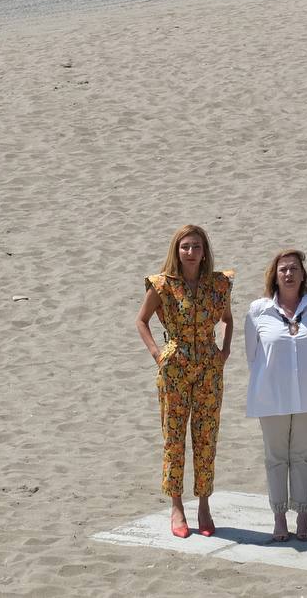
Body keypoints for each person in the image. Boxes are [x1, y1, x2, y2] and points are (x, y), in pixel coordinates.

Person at [136, 225, 233, 539]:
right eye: (185, 247)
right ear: (176, 251)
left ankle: (204, 504)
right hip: (175, 366)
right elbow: (142, 320)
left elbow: (227, 320)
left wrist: (224, 350)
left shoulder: (218, 285)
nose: (191, 253)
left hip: (208, 366)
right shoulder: (163, 285)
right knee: (174, 437)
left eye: (196, 247)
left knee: (206, 437)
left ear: (205, 251)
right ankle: (176, 505)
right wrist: (157, 354)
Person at [245, 250, 307, 542]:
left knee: (301, 457)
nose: (288, 274)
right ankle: (278, 518)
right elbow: (253, 355)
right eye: (283, 269)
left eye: (294, 269)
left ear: (303, 274)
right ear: (275, 275)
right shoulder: (258, 309)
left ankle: (302, 516)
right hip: (271, 396)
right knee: (276, 457)